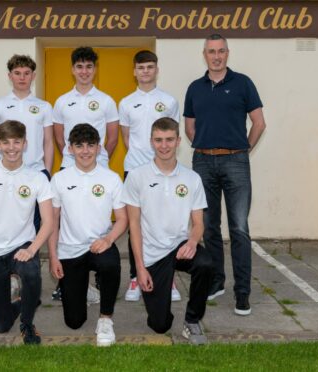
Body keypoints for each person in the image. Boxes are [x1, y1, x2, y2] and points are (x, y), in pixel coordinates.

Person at [183, 34, 267, 315]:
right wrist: (207, 147)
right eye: (211, 52)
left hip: (236, 162)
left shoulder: (243, 83)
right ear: (204, 54)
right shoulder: (195, 88)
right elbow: (190, 128)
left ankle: (242, 292)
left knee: (239, 229)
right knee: (208, 227)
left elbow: (259, 122)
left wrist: (243, 149)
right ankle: (216, 281)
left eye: (221, 51)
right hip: (204, 163)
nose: (216, 56)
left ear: (227, 53)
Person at [122, 118, 213, 345]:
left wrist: (192, 242)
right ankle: (160, 298)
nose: (164, 145)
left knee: (206, 264)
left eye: (169, 140)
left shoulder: (192, 178)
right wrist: (140, 270)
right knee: (160, 326)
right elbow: (133, 225)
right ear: (151, 142)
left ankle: (192, 320)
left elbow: (199, 223)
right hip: (153, 255)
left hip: (180, 246)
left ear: (178, 141)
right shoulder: (136, 177)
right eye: (159, 140)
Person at [0, 120, 53, 344]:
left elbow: (49, 221)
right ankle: (27, 300)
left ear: (25, 144)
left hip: (21, 246)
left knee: (32, 272)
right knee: (2, 326)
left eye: (17, 142)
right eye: (6, 142)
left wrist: (32, 249)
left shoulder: (37, 177)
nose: (11, 147)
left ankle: (27, 323)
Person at [47, 124, 127, 347]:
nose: (85, 151)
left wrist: (108, 239)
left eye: (90, 145)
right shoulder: (59, 179)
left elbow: (122, 219)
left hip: (98, 245)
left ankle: (105, 320)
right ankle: (87, 290)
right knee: (74, 322)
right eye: (79, 145)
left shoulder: (111, 178)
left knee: (111, 264)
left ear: (99, 148)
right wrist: (53, 257)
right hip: (70, 250)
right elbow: (52, 222)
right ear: (69, 149)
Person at [51, 46, 119, 301]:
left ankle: (102, 274)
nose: (84, 71)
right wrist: (73, 157)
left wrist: (98, 158)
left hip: (98, 167)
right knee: (65, 222)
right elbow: (59, 136)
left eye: (89, 66)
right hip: (70, 167)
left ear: (94, 69)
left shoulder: (106, 100)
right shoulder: (61, 101)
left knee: (98, 218)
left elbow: (112, 137)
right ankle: (64, 279)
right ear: (73, 69)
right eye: (79, 66)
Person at [118, 50, 182, 303]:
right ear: (134, 71)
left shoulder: (169, 101)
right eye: (141, 67)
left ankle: (170, 279)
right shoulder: (125, 103)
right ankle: (136, 276)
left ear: (157, 70)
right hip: (135, 170)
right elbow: (126, 138)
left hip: (164, 170)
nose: (145, 71)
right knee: (136, 225)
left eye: (150, 67)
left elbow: (172, 135)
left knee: (166, 224)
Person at [0, 55, 54, 231]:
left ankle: (31, 256)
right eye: (17, 73)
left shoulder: (44, 106)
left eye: (26, 73)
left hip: (36, 171)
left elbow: (48, 141)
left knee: (37, 224)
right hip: (6, 173)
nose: (22, 77)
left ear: (33, 76)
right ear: (10, 76)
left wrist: (47, 171)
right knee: (8, 220)